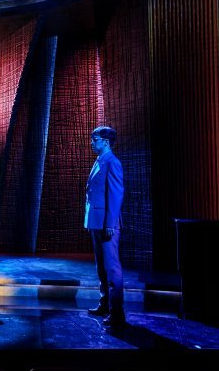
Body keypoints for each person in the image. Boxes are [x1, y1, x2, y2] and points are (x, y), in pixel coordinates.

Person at [84, 126, 126, 326]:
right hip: (96, 222)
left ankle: (117, 313)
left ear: (106, 142)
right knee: (101, 266)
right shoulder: (99, 160)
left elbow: (116, 195)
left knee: (111, 267)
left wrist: (110, 223)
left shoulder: (112, 162)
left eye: (95, 139)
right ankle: (105, 304)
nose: (92, 142)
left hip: (107, 224)